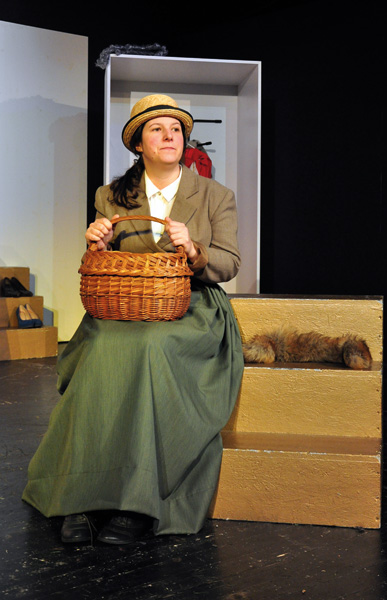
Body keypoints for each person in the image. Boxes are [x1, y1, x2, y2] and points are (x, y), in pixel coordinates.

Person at [22, 94, 244, 545]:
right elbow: (105, 265)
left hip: (193, 306)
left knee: (151, 347)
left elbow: (230, 263)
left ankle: (137, 501)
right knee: (101, 347)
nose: (169, 136)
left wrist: (195, 251)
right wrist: (96, 243)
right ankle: (81, 494)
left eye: (176, 129)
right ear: (138, 144)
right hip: (127, 305)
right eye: (157, 129)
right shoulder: (112, 196)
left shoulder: (215, 195)